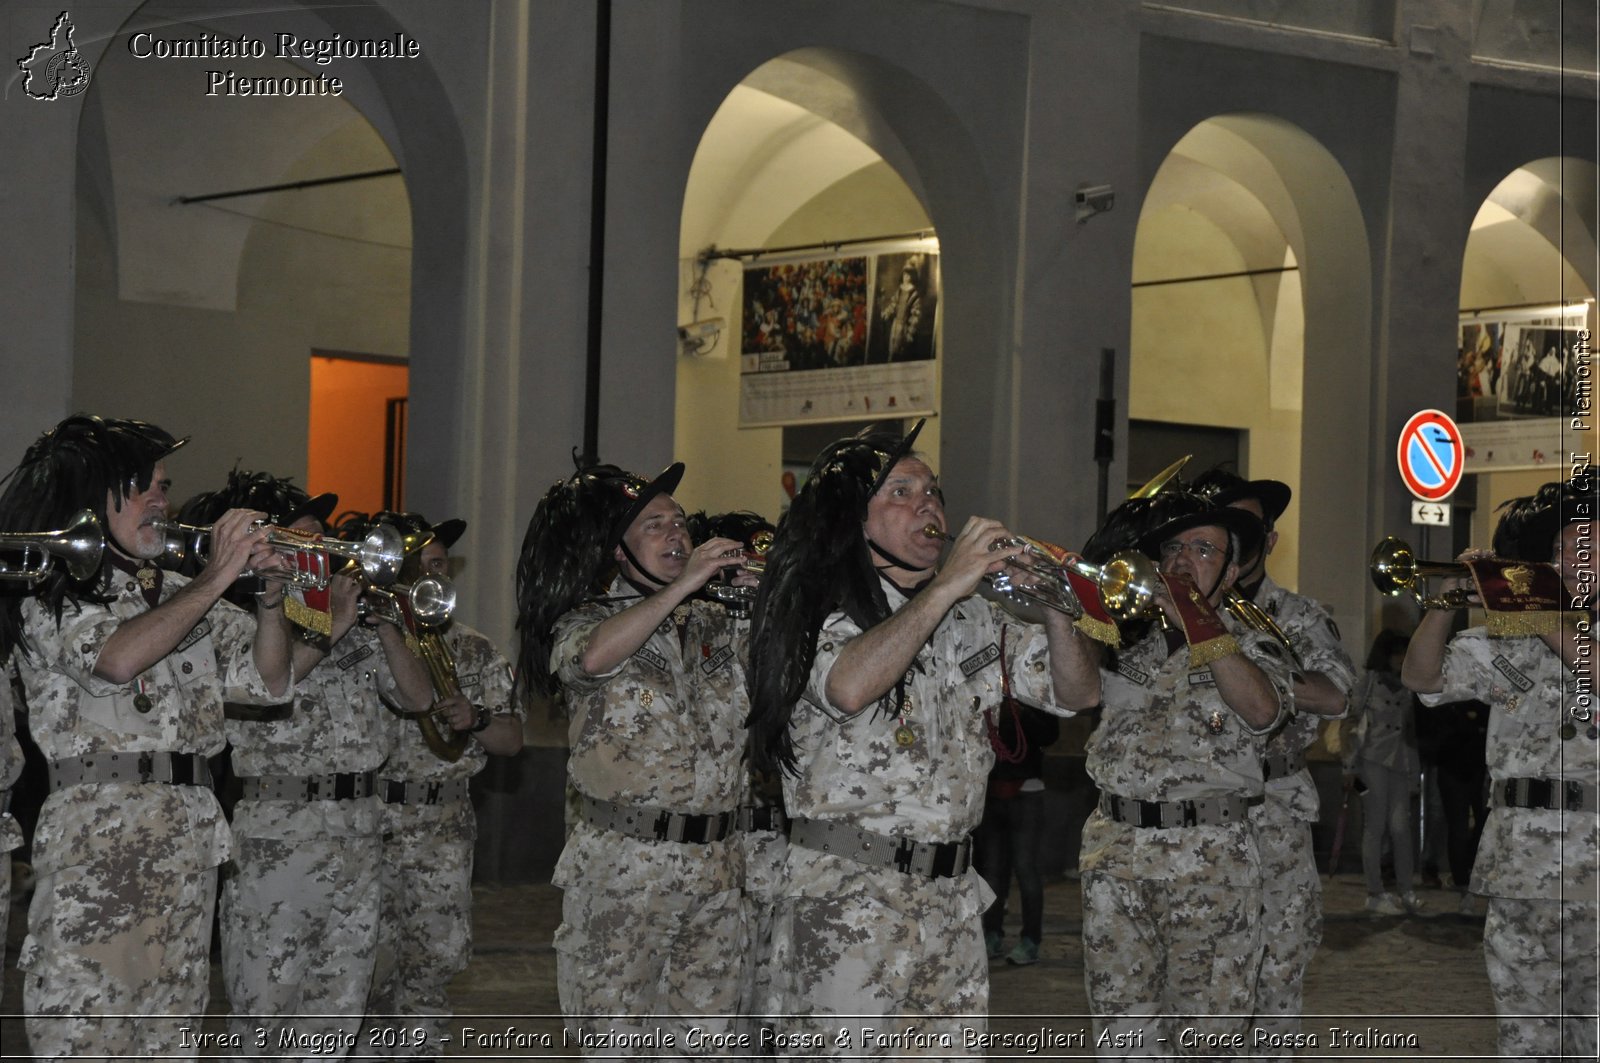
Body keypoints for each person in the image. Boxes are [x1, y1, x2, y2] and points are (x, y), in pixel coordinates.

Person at [746, 419, 1101, 1053]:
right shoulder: (811, 603)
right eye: (901, 492)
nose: (928, 505)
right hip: (847, 898)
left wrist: (1056, 603)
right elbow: (849, 687)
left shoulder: (973, 614)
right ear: (854, 519)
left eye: (932, 491)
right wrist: (945, 588)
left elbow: (1078, 694)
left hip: (950, 902)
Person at [0, 416, 294, 1058]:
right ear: (92, 499)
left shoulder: (184, 593)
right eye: (143, 489)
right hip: (100, 856)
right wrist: (220, 578)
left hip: (187, 857)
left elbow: (269, 683)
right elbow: (115, 660)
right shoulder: (51, 591)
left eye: (164, 487)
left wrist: (270, 598)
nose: (162, 501)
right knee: (88, 1036)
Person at [178, 474, 435, 1056]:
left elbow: (419, 701)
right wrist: (333, 621)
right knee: (270, 1012)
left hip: (358, 835)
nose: (326, 550)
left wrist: (387, 621)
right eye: (307, 537)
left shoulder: (349, 626)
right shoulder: (237, 619)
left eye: (325, 539)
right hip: (279, 836)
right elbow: (270, 684)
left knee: (338, 1016)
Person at [516, 459, 754, 1051]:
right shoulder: (586, 620)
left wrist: (770, 605)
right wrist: (682, 586)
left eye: (680, 522)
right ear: (617, 551)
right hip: (625, 873)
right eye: (654, 525)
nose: (676, 534)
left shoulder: (716, 622)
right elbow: (591, 661)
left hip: (719, 871)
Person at [1075, 488, 1293, 1053]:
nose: (1182, 559)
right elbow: (1068, 689)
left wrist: (1198, 621)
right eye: (1173, 547)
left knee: (1209, 1036)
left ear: (1233, 570)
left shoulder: (1255, 641)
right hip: (1117, 855)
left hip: (1211, 861)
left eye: (1203, 549)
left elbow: (1263, 710)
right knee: (1122, 1036)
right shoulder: (1126, 638)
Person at [1402, 469, 1597, 1060]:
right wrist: (1448, 602)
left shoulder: (1540, 626)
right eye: (1560, 549)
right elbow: (1422, 677)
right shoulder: (1509, 641)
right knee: (1524, 1034)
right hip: (1522, 863)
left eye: (1585, 546)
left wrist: (1540, 617)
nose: (1569, 558)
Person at [1189, 467, 1356, 1046]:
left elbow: (1335, 695)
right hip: (1192, 815)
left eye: (1248, 528)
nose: (1234, 541)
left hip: (1272, 810)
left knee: (1275, 973)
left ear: (1269, 540)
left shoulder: (1298, 615)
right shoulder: (1165, 612)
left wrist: (1251, 669)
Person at [363, 512, 523, 1056]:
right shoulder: (359, 645)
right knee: (364, 973)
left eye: (442, 565)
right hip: (371, 823)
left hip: (443, 826)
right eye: (426, 566)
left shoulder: (475, 648)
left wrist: (475, 719)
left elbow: (511, 741)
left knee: (432, 968)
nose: (439, 575)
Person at [976, 697, 1059, 966]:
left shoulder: (1033, 686)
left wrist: (1019, 712)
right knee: (992, 871)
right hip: (991, 789)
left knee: (1026, 868)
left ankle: (1031, 940)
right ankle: (991, 934)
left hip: (1027, 790)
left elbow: (1050, 734)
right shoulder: (985, 686)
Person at [1345, 629, 1422, 915]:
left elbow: (1414, 733)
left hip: (1401, 762)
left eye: (1405, 653)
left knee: (1402, 828)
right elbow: (1351, 723)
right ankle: (1375, 891)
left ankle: (1407, 890)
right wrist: (1350, 766)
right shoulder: (1369, 683)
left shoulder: (1411, 686)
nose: (1401, 659)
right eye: (1397, 653)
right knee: (1375, 827)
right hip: (1371, 761)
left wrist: (1415, 772)